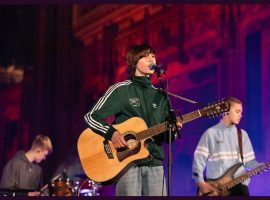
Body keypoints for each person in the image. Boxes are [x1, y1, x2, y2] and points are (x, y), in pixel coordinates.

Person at [84, 43, 181, 196]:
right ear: (134, 62)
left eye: (153, 56)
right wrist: (112, 133)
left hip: (155, 164)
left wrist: (173, 131)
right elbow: (90, 116)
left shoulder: (161, 95)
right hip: (127, 164)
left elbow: (166, 137)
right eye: (146, 56)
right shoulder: (121, 90)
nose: (152, 59)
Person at [192, 96, 262, 196]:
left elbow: (250, 162)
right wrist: (201, 183)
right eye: (237, 111)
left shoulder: (243, 135)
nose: (241, 115)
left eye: (241, 112)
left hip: (240, 189)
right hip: (216, 190)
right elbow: (198, 161)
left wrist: (260, 166)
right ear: (226, 111)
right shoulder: (210, 133)